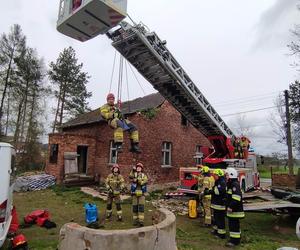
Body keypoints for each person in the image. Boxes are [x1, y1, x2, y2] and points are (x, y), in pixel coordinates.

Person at [225, 167, 245, 247]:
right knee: (233, 225)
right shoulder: (231, 184)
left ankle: (234, 241)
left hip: (235, 210)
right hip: (233, 210)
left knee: (234, 226)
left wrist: (230, 206)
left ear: (231, 175)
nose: (225, 176)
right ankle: (235, 239)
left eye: (226, 175)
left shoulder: (234, 185)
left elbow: (236, 198)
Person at [209, 168, 227, 239]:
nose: (214, 176)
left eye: (215, 175)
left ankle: (221, 234)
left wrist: (211, 191)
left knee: (220, 220)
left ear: (219, 175)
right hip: (216, 204)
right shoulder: (218, 181)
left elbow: (218, 192)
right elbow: (214, 189)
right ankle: (216, 230)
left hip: (220, 205)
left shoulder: (222, 182)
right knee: (216, 219)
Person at [131, 162, 148, 227]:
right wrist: (132, 170)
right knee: (135, 207)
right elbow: (130, 176)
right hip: (134, 193)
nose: (138, 168)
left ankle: (141, 221)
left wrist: (139, 180)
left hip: (141, 194)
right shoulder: (134, 174)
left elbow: (145, 181)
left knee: (141, 207)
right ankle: (135, 221)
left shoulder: (144, 175)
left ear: (141, 169)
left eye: (139, 167)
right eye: (137, 167)